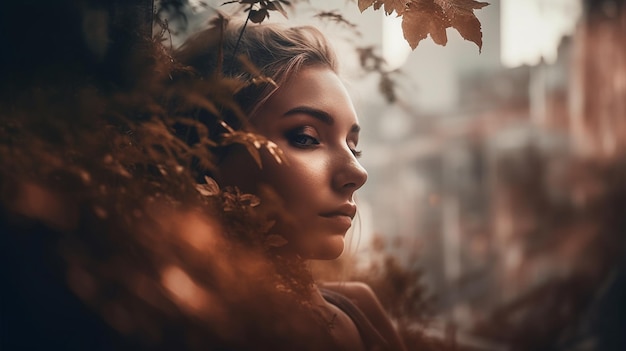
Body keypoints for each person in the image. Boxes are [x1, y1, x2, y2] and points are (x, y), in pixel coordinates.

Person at [174, 19, 407, 351]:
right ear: (206, 149)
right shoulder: (183, 317)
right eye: (306, 138)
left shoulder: (358, 308)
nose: (357, 171)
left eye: (353, 146)